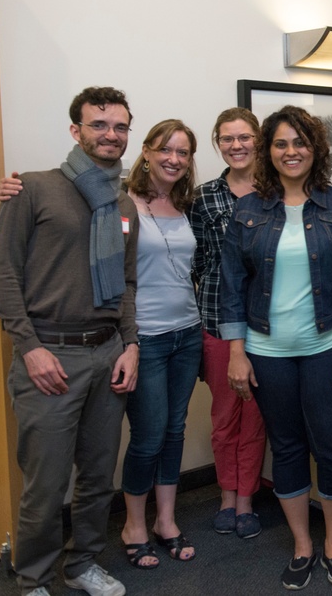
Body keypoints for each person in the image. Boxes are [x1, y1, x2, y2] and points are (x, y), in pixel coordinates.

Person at [0, 86, 139, 596]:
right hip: (47, 355)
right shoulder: (31, 189)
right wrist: (28, 347)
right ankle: (32, 579)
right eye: (99, 124)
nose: (110, 135)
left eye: (120, 126)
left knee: (99, 476)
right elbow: (3, 274)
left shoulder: (124, 204)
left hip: (107, 355)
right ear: (75, 130)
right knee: (46, 483)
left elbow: (127, 282)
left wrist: (131, 345)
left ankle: (82, 566)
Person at [220, 105, 332, 589]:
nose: (291, 152)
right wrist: (237, 352)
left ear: (315, 149)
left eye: (300, 142)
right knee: (286, 447)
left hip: (329, 346)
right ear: (270, 151)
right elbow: (230, 286)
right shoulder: (248, 210)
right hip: (267, 352)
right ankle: (303, 546)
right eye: (281, 143)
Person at [119, 120, 203, 569]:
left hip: (187, 333)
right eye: (165, 149)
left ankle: (165, 521)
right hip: (145, 338)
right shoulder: (120, 201)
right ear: (147, 151)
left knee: (174, 430)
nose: (174, 158)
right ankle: (133, 524)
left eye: (183, 152)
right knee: (148, 436)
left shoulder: (185, 203)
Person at [188, 108, 266, 539]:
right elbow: (196, 263)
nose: (236, 146)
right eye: (227, 139)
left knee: (254, 419)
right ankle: (225, 496)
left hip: (268, 327)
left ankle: (247, 499)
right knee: (224, 417)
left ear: (258, 139)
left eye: (244, 137)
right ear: (218, 143)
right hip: (217, 321)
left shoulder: (276, 192)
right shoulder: (203, 197)